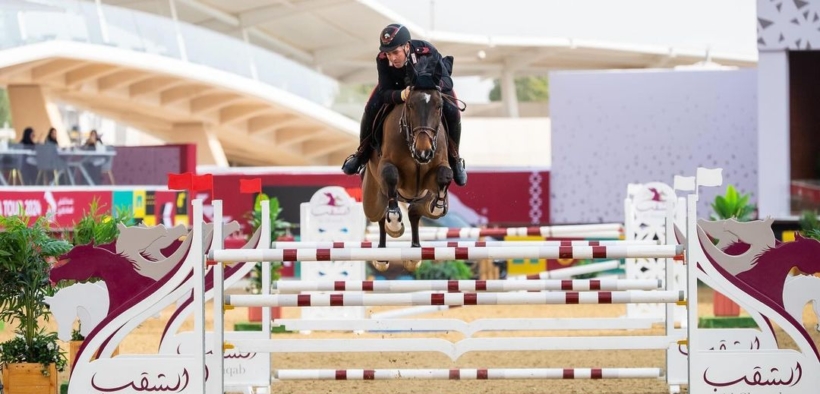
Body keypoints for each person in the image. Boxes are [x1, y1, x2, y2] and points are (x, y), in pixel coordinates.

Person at [341, 23, 467, 186]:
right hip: (398, 89)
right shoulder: (382, 59)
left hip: (430, 90)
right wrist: (402, 94)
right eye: (388, 54)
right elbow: (385, 92)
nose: (392, 58)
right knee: (371, 107)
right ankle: (361, 154)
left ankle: (455, 158)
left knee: (452, 109)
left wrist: (427, 87)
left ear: (407, 47)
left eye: (395, 52)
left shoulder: (426, 50)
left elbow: (447, 81)